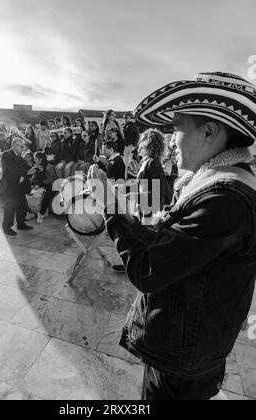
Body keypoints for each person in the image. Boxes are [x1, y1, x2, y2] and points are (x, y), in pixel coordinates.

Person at [88, 72, 256, 400]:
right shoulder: (218, 184)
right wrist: (122, 211)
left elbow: (148, 269)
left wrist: (110, 207)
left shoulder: (225, 199)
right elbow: (171, 243)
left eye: (177, 127)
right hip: (185, 351)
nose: (171, 140)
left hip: (183, 361)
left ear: (209, 131)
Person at [1, 138, 33, 236]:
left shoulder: (20, 156)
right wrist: (27, 172)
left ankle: (21, 223)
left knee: (22, 205)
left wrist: (35, 168)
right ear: (14, 145)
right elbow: (12, 169)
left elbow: (26, 167)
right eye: (21, 146)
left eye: (23, 146)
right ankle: (7, 227)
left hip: (20, 186)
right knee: (10, 206)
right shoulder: (7, 155)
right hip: (10, 185)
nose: (22, 148)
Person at [30, 151, 55, 224]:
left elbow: (50, 178)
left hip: (48, 185)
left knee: (47, 197)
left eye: (36, 159)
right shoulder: (37, 165)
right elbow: (34, 177)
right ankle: (32, 212)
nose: (34, 160)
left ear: (41, 159)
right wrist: (33, 184)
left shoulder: (47, 166)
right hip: (38, 185)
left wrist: (40, 185)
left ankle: (40, 214)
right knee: (30, 194)